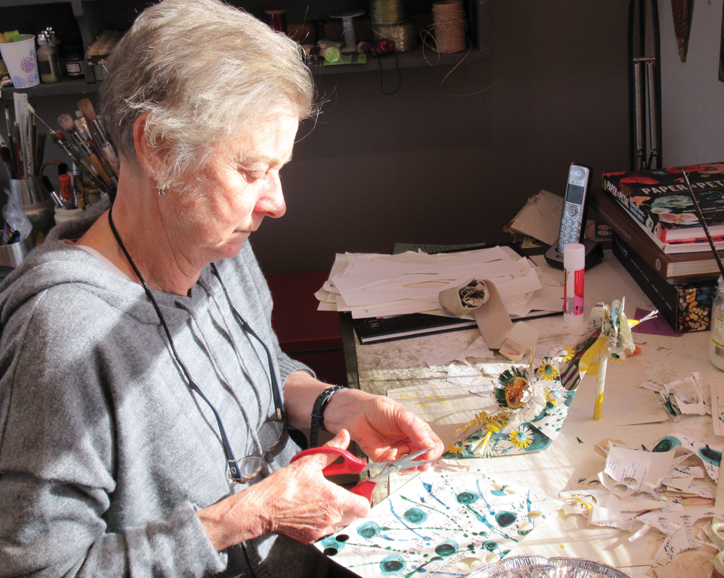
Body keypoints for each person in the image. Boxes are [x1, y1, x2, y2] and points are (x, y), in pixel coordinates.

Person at [0, 1, 444, 576]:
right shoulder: (65, 337)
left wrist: (338, 405)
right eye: (251, 171)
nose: (277, 202)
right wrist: (246, 516)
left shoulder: (219, 245)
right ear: (157, 146)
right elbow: (41, 570)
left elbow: (259, 369)